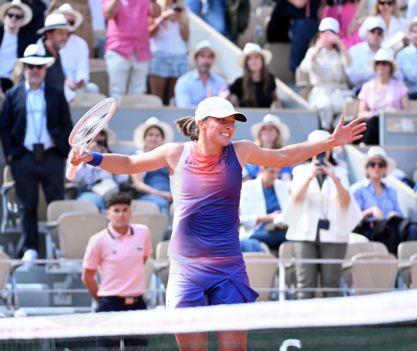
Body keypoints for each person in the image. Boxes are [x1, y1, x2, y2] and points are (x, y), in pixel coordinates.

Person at [69, 96, 366, 350]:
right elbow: (131, 164)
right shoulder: (175, 153)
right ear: (201, 123)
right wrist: (92, 157)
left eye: (232, 122)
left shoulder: (241, 150)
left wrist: (330, 141)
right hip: (187, 268)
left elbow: (284, 157)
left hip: (229, 267)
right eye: (221, 120)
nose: (229, 126)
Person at [0, 44, 72, 261]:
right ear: (24, 68)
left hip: (51, 155)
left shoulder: (56, 94)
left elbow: (66, 124)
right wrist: (12, 155)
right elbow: (5, 126)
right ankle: (30, 247)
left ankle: (60, 247)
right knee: (27, 205)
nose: (34, 70)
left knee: (56, 203)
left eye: (39, 66)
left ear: (45, 69)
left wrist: (63, 151)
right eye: (30, 66)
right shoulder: (13, 95)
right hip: (25, 157)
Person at [285, 130, 361, 299]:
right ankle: (304, 324)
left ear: (331, 150)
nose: (320, 151)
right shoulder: (300, 171)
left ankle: (330, 325)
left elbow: (346, 202)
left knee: (331, 283)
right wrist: (310, 177)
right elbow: (296, 199)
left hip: (334, 233)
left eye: (325, 147)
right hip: (304, 233)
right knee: (305, 283)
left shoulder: (340, 172)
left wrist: (334, 178)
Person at [82, 192, 151, 349]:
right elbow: (87, 277)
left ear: (131, 212)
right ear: (108, 213)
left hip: (137, 304)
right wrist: (103, 301)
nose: (121, 214)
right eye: (116, 210)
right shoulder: (97, 240)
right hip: (109, 305)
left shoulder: (143, 232)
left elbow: (143, 259)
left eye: (125, 210)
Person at [298, 17, 353, 129]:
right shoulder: (313, 51)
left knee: (350, 105)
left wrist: (340, 44)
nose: (328, 36)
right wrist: (318, 48)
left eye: (331, 32)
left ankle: (338, 131)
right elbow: (304, 68)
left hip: (339, 91)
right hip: (320, 91)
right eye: (324, 32)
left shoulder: (340, 53)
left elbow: (350, 68)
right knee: (325, 105)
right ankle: (326, 131)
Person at [350, 147, 404, 240]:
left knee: (413, 228)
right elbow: (352, 218)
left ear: (385, 169)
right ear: (367, 168)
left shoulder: (391, 191)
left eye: (381, 164)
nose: (377, 167)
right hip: (369, 229)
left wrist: (394, 214)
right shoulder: (357, 189)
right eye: (372, 164)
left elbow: (400, 214)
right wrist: (369, 211)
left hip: (390, 228)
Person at [358, 48, 408, 145]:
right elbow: (361, 113)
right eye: (378, 63)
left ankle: (365, 145)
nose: (380, 66)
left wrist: (395, 112)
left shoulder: (399, 85)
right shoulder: (367, 86)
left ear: (390, 67)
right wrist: (376, 114)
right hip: (372, 124)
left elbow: (406, 112)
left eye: (384, 63)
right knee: (374, 122)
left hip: (393, 124)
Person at [102, 0, 151, 98]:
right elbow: (108, 14)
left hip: (141, 49)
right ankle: (116, 114)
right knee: (117, 92)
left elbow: (156, 13)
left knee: (139, 92)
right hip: (118, 48)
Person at [239, 166, 290, 252]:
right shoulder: (247, 187)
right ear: (262, 169)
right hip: (256, 232)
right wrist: (270, 217)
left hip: (280, 229)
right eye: (271, 172)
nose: (275, 176)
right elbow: (242, 219)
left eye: (278, 173)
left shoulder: (282, 186)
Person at [131, 117, 174, 218]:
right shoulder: (137, 156)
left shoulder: (169, 157)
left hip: (169, 195)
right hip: (148, 195)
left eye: (157, 135)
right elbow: (138, 185)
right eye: (150, 135)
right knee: (161, 204)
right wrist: (162, 194)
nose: (154, 138)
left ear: (162, 139)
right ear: (144, 138)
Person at [148, 0, 189, 105]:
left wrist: (180, 21)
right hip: (159, 54)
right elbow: (149, 33)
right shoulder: (155, 7)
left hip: (179, 55)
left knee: (173, 98)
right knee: (156, 98)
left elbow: (186, 37)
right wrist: (162, 18)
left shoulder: (181, 8)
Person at [54, 3, 97, 102]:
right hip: (55, 86)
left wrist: (78, 83)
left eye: (71, 22)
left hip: (76, 87)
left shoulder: (80, 44)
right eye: (65, 22)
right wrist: (64, 81)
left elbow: (82, 70)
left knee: (93, 89)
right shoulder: (47, 42)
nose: (68, 25)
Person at [174, 40, 228, 108]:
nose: (206, 60)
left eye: (210, 56)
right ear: (196, 59)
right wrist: (209, 104)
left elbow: (224, 108)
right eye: (202, 56)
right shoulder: (184, 81)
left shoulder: (220, 81)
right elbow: (184, 108)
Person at [229, 42, 281, 108]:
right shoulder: (239, 82)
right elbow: (232, 105)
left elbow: (276, 101)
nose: (254, 61)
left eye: (256, 57)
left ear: (262, 60)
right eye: (249, 58)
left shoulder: (270, 79)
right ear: (246, 63)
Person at [244, 114, 292, 181]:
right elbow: (245, 179)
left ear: (277, 134)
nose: (267, 132)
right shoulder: (251, 153)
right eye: (264, 129)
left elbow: (286, 179)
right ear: (260, 133)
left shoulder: (283, 155)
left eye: (271, 129)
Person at [346, 16, 386, 92]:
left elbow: (397, 75)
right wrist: (376, 70)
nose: (376, 35)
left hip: (384, 90)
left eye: (379, 33)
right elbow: (352, 77)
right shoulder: (355, 50)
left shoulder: (387, 51)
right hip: (361, 90)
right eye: (372, 31)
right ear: (366, 33)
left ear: (383, 35)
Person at [0, 0, 33, 93]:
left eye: (18, 16)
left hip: (14, 83)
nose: (13, 18)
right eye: (10, 15)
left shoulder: (26, 41)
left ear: (22, 21)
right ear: (5, 16)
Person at [36, 13, 71, 92]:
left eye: (66, 33)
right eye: (61, 33)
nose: (65, 37)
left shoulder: (57, 53)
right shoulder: (38, 55)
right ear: (48, 34)